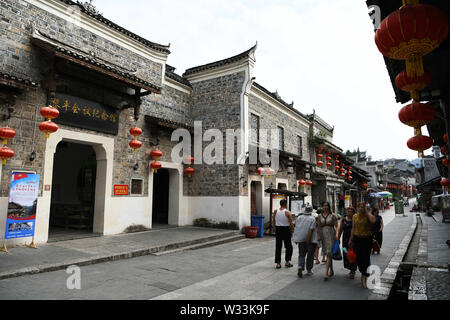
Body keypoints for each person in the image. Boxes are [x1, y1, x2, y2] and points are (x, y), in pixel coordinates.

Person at [349, 202, 376, 288]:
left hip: (366, 240)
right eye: (360, 207)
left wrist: (367, 211)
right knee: (358, 258)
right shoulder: (354, 216)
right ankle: (363, 272)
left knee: (366, 258)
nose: (361, 208)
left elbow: (373, 220)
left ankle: (364, 276)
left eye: (363, 207)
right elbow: (353, 228)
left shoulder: (368, 216)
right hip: (357, 239)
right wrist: (350, 239)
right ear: (357, 208)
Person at [292, 205, 318, 277]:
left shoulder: (299, 218)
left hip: (301, 239)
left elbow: (297, 228)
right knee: (310, 255)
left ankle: (300, 267)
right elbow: (311, 229)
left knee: (301, 254)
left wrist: (296, 238)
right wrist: (308, 239)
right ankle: (309, 270)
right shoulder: (312, 219)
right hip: (310, 240)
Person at [317, 201, 338, 281]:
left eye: (327, 206)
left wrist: (336, 235)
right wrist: (318, 235)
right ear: (322, 207)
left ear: (329, 207)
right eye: (324, 206)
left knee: (329, 253)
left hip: (331, 235)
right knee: (328, 253)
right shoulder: (319, 216)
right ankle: (331, 270)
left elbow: (337, 226)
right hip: (323, 235)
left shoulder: (333, 216)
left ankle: (326, 272)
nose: (325, 207)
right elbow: (319, 226)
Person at [336, 206, 357, 279]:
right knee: (346, 254)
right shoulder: (343, 219)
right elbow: (340, 229)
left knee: (353, 254)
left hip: (353, 240)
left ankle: (353, 270)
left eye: (351, 211)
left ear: (353, 212)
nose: (349, 212)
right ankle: (350, 268)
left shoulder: (355, 219)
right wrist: (338, 238)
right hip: (345, 240)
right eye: (348, 211)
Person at [272, 199, 294, 269]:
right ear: (285, 204)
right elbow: (291, 224)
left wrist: (275, 227)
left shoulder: (276, 211)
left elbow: (274, 220)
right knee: (288, 246)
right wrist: (292, 232)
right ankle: (287, 262)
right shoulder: (288, 212)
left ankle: (278, 263)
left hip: (278, 229)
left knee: (278, 246)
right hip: (286, 229)